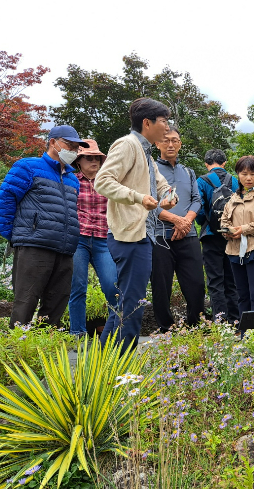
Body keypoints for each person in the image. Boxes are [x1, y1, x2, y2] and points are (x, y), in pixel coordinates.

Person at [95, 98, 176, 352]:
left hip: (143, 234)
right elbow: (103, 181)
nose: (167, 127)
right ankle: (122, 362)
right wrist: (138, 198)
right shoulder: (127, 145)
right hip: (128, 236)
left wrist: (168, 195)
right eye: (163, 121)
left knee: (129, 301)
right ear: (147, 123)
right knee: (133, 303)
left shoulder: (146, 152)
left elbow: (160, 183)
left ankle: (105, 358)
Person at [0, 125, 89, 328]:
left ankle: (45, 349)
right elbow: (7, 199)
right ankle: (18, 349)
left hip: (64, 248)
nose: (73, 150)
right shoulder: (27, 167)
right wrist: (14, 235)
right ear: (53, 142)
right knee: (26, 301)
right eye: (69, 145)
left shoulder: (73, 179)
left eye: (76, 148)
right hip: (34, 245)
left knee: (57, 302)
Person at [151, 126, 204, 331]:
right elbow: (148, 204)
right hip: (159, 236)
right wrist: (175, 220)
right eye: (166, 140)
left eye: (175, 140)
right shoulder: (150, 169)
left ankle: (196, 327)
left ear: (180, 144)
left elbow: (196, 200)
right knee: (161, 287)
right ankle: (167, 330)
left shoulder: (188, 172)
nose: (170, 144)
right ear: (157, 144)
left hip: (188, 235)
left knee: (196, 284)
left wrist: (186, 221)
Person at [68, 139, 118, 337]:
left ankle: (115, 330)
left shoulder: (108, 181)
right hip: (78, 239)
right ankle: (77, 333)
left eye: (97, 157)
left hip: (103, 238)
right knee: (77, 287)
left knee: (111, 285)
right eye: (89, 158)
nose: (94, 161)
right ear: (79, 161)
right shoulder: (71, 180)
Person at [220, 155, 254, 315]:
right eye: (244, 174)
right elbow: (224, 220)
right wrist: (228, 232)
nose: (248, 178)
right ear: (238, 174)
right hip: (234, 251)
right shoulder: (234, 197)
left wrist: (243, 229)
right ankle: (246, 335)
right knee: (242, 295)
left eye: (253, 173)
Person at [196, 149, 241, 324]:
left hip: (210, 236)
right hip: (231, 236)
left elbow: (199, 209)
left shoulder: (202, 180)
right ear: (224, 163)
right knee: (232, 280)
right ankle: (235, 321)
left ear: (207, 164)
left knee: (215, 281)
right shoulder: (234, 181)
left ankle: (220, 323)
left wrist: (205, 223)